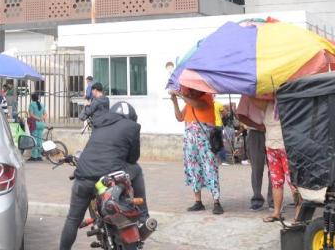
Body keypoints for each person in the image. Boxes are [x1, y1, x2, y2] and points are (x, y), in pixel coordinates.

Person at [58, 101, 149, 250]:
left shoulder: (99, 124)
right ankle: (144, 216)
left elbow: (92, 148)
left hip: (84, 177)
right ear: (132, 117)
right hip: (108, 180)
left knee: (73, 220)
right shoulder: (132, 127)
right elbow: (133, 158)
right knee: (136, 170)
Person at [170, 86, 223, 214]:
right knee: (193, 169)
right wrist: (175, 101)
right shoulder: (189, 103)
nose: (189, 91)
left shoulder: (207, 98)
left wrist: (182, 96)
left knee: (210, 168)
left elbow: (200, 106)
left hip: (205, 142)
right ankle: (198, 201)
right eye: (188, 90)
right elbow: (179, 117)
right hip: (190, 143)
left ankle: (216, 201)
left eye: (192, 89)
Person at [263, 98, 297, 224]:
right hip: (271, 147)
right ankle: (276, 213)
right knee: (276, 182)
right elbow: (251, 96)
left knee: (293, 182)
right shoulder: (267, 104)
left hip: (287, 147)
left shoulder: (289, 102)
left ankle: (298, 216)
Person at [237, 95, 268, 211]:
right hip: (255, 133)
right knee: (256, 168)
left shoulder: (272, 90)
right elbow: (240, 115)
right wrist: (257, 126)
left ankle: (273, 199)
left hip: (273, 132)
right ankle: (257, 199)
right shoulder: (247, 94)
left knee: (275, 170)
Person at [27, 92, 47, 161]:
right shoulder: (41, 104)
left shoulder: (31, 104)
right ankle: (39, 156)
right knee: (40, 140)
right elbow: (45, 114)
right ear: (38, 98)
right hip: (41, 124)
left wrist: (37, 118)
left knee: (34, 139)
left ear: (32, 98)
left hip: (35, 124)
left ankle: (34, 156)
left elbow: (31, 114)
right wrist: (41, 118)